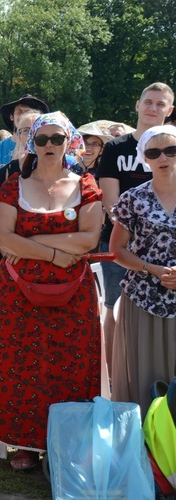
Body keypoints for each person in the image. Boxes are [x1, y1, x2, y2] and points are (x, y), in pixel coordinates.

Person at [0, 111, 103, 471]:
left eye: (56, 139)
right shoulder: (13, 184)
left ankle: (68, 442)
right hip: (17, 291)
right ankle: (24, 444)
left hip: (72, 291)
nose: (49, 146)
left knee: (71, 366)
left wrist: (30, 240)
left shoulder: (86, 184)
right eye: (41, 139)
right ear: (31, 144)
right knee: (18, 366)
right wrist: (55, 253)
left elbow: (90, 239)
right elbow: (1, 238)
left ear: (69, 142)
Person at [96, 82, 174, 381]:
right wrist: (137, 222)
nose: (153, 108)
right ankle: (119, 378)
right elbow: (111, 199)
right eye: (148, 102)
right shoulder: (117, 147)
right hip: (126, 243)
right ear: (138, 105)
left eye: (160, 104)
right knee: (114, 311)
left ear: (169, 110)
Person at [110, 125, 176, 411]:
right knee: (145, 378)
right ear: (144, 158)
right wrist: (152, 268)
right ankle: (145, 449)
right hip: (143, 298)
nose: (163, 158)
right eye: (154, 152)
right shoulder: (132, 198)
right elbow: (116, 251)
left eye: (171, 150)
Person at [0, 109, 42, 295]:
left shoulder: (64, 173)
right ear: (17, 136)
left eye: (37, 129)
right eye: (25, 130)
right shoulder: (4, 174)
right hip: (9, 259)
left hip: (49, 258)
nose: (31, 135)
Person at [0, 94, 49, 165]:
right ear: (11, 116)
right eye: (19, 112)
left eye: (28, 112)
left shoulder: (45, 146)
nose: (23, 116)